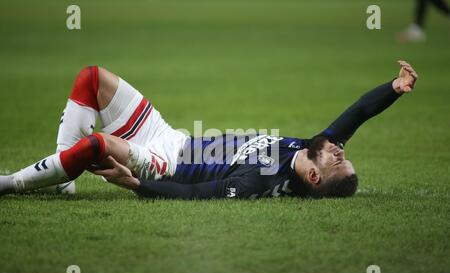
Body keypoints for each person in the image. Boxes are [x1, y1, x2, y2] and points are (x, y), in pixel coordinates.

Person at [0, 61, 418, 199]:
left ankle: (14, 183)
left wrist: (136, 185)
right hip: (170, 134)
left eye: (338, 162)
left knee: (95, 144)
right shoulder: (312, 147)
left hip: (164, 164)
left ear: (314, 175)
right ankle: (61, 180)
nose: (341, 151)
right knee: (92, 78)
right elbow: (361, 111)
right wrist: (395, 89)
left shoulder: (261, 180)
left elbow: (197, 194)